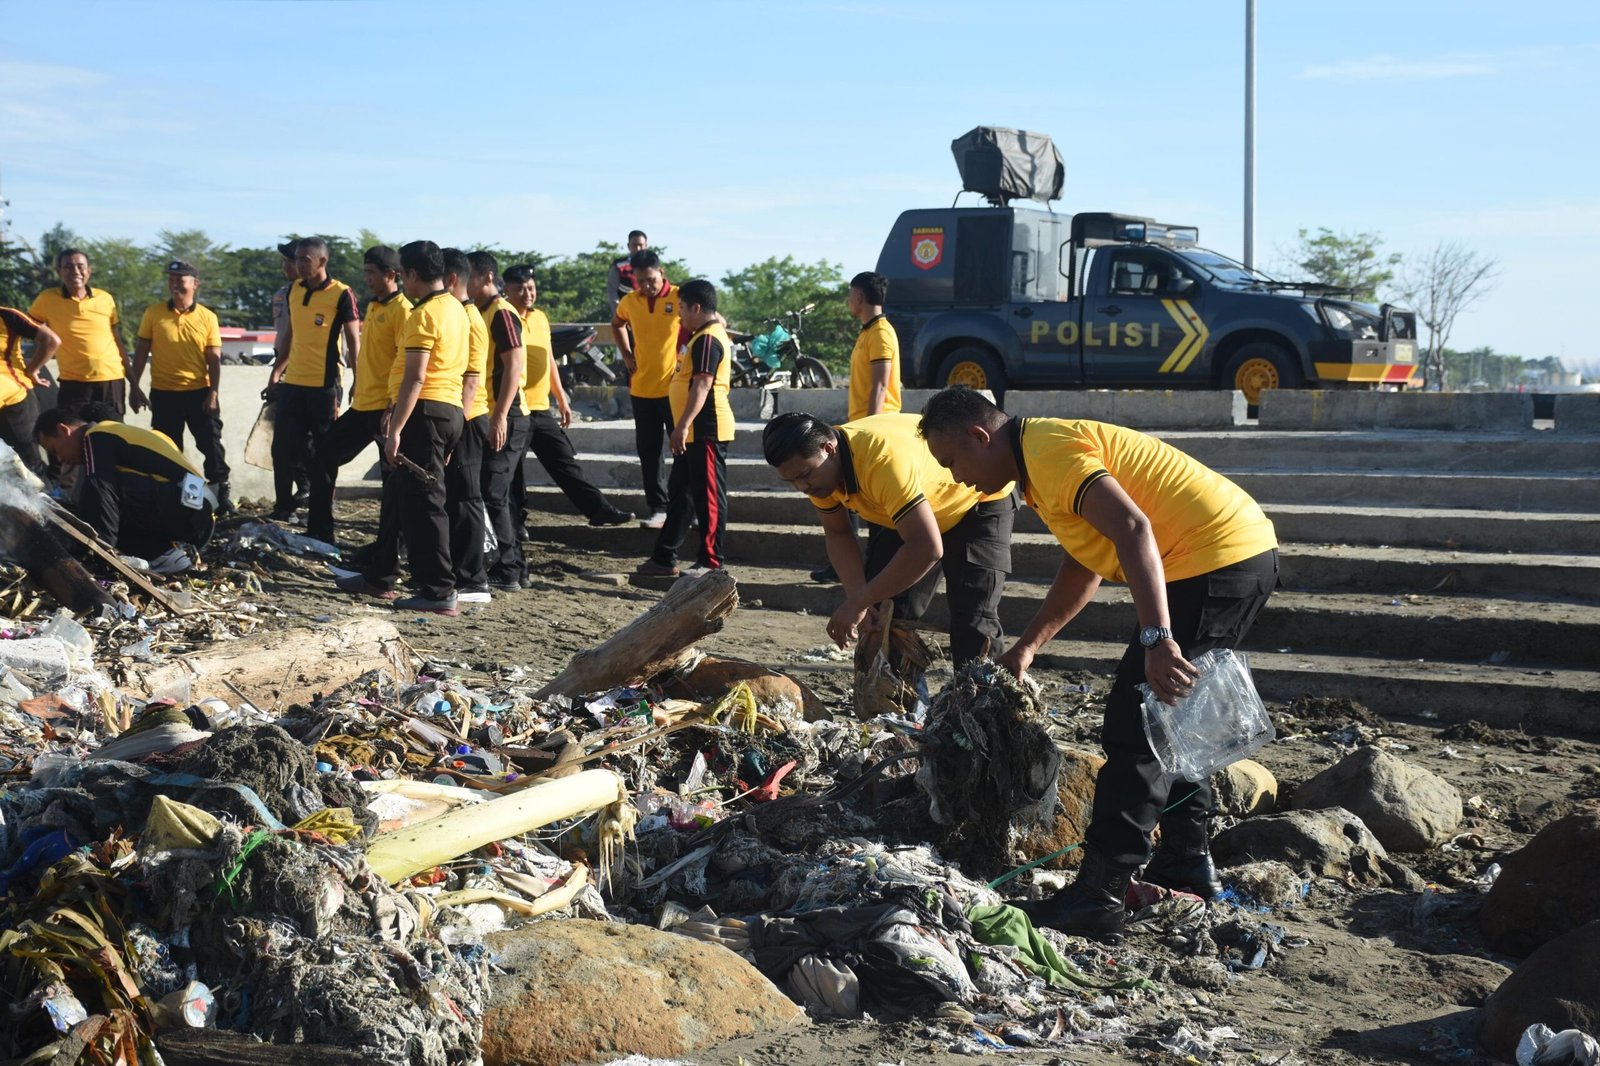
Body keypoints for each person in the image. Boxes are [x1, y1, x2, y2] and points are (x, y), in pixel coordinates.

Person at [916, 387, 1280, 942]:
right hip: (1226, 554)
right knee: (1173, 723)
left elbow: (1134, 530)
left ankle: (1100, 894)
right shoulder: (1037, 461)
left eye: (954, 463)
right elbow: (1086, 564)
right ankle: (1184, 860)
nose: (958, 479)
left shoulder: (1050, 454)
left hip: (1213, 559)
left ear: (979, 436)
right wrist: (1029, 646)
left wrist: (1159, 638)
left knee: (1135, 731)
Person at [763, 411, 1015, 666]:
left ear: (829, 448)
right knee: (884, 617)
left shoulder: (880, 461)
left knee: (973, 619)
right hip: (908, 510)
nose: (801, 487)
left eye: (804, 474)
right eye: (791, 481)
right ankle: (897, 702)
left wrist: (858, 602)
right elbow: (838, 534)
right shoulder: (821, 475)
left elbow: (926, 548)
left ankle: (982, 701)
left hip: (977, 498)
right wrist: (859, 600)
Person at [337, 240, 467, 615]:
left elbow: (416, 376)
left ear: (410, 275)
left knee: (425, 505)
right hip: (446, 410)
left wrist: (395, 428)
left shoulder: (423, 314)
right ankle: (381, 573)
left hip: (425, 412)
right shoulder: (455, 308)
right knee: (400, 497)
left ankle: (439, 589)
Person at [502, 264, 632, 530]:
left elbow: (549, 358)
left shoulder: (539, 317)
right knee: (512, 471)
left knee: (564, 461)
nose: (528, 294)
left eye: (531, 288)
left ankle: (599, 510)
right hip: (515, 407)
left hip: (539, 407)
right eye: (520, 290)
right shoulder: (503, 317)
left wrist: (561, 397)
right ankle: (516, 524)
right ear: (507, 291)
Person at [306, 246, 411, 546]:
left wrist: (395, 408)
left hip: (385, 410)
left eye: (371, 273)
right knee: (323, 456)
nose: (366, 278)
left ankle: (393, 544)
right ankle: (320, 532)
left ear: (392, 275)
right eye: (365, 272)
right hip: (364, 404)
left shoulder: (403, 311)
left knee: (393, 480)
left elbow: (405, 364)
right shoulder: (375, 306)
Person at [636, 278, 732, 578]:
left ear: (697, 307)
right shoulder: (699, 336)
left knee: (708, 497)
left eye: (682, 308)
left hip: (706, 428)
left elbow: (702, 384)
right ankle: (664, 557)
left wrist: (682, 426)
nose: (680, 315)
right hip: (692, 431)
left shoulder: (708, 338)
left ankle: (712, 561)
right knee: (681, 494)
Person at [812, 270, 902, 583]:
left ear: (859, 297)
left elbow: (880, 386)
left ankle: (869, 569)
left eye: (850, 295)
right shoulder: (868, 332)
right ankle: (844, 566)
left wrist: (869, 429)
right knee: (845, 493)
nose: (848, 300)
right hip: (860, 425)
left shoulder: (880, 333)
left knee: (871, 500)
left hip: (874, 428)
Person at [34, 407, 215, 559]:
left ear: (63, 430)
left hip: (190, 512)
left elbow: (99, 486)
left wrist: (96, 546)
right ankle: (163, 556)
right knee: (98, 502)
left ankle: (99, 555)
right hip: (196, 517)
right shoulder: (119, 433)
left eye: (55, 450)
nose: (60, 460)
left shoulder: (96, 434)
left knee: (97, 484)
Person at [267, 237, 361, 521]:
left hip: (324, 387)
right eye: (296, 258)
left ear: (322, 261)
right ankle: (283, 507)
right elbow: (289, 335)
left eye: (305, 259)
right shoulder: (294, 290)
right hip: (293, 384)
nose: (298, 264)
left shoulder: (342, 294)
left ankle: (321, 510)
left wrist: (359, 378)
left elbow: (353, 341)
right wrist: (276, 371)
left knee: (322, 452)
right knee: (282, 448)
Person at [128, 260, 232, 515]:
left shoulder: (208, 317)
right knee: (167, 450)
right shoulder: (153, 313)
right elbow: (141, 353)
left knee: (211, 445)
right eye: (171, 279)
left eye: (180, 279)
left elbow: (214, 359)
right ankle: (174, 498)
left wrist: (214, 393)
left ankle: (220, 495)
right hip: (164, 394)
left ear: (194, 284)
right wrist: (134, 386)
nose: (175, 284)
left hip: (199, 393)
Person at [468, 251, 530, 591]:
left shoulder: (502, 314)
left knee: (494, 493)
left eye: (470, 277)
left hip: (508, 415)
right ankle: (514, 568)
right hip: (492, 414)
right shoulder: (481, 312)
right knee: (496, 494)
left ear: (487, 278)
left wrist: (501, 414)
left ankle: (510, 569)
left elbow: (514, 366)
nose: (466, 284)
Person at [610, 249, 679, 527]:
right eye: (641, 281)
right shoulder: (630, 300)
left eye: (651, 280)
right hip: (641, 389)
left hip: (674, 389)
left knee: (683, 450)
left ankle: (686, 506)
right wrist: (626, 354)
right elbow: (617, 324)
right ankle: (658, 507)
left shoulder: (679, 296)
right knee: (649, 452)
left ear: (661, 273)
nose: (647, 286)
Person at [443, 247, 492, 602]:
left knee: (468, 497)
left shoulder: (471, 318)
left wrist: (456, 425)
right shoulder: (459, 314)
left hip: (469, 417)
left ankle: (474, 579)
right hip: (462, 415)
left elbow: (473, 379)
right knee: (456, 496)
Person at [27, 248, 128, 416]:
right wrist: (33, 367)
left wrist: (134, 384)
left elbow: (117, 341)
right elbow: (28, 329)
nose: (75, 271)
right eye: (68, 267)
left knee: (111, 434)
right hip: (73, 382)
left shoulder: (105, 298)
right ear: (59, 272)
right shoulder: (47, 299)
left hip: (111, 379)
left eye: (80, 266)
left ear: (89, 270)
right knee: (72, 436)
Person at [0, 307, 59, 474]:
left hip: (16, 397)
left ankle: (46, 497)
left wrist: (32, 370)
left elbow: (51, 340)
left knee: (28, 463)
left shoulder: (7, 316)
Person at [605, 230, 649, 314]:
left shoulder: (652, 266)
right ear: (629, 246)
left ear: (646, 246)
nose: (638, 249)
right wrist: (621, 314)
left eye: (641, 245)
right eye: (634, 245)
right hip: (626, 314)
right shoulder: (619, 267)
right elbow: (612, 293)